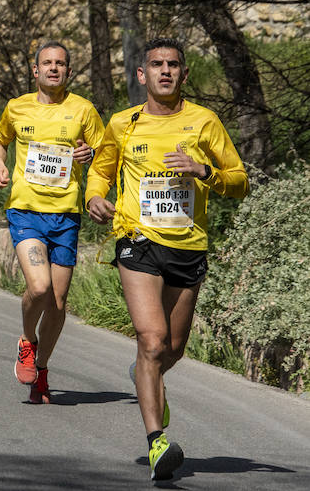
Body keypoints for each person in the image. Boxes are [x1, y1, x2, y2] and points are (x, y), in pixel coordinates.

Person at [85, 38, 249, 481]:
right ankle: (157, 442)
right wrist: (94, 197)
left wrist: (204, 172)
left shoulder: (204, 121)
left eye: (173, 65)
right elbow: (101, 169)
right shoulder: (123, 123)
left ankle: (146, 373)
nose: (164, 71)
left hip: (189, 245)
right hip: (137, 239)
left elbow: (240, 181)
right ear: (142, 75)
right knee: (152, 339)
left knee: (171, 350)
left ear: (184, 74)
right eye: (156, 64)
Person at [0, 41, 104, 404]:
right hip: (25, 210)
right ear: (35, 71)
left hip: (66, 214)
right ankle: (27, 339)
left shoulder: (83, 110)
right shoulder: (17, 107)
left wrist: (90, 153)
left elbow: (105, 153)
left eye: (60, 64)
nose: (53, 68)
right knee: (39, 288)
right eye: (47, 63)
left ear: (68, 72)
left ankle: (41, 369)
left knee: (57, 301)